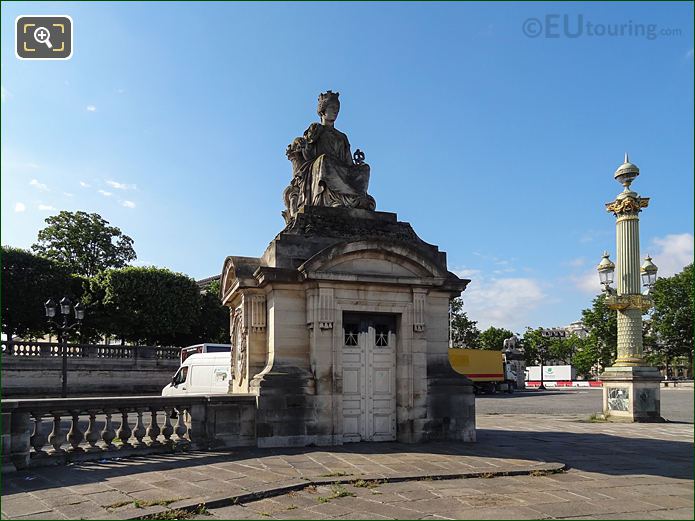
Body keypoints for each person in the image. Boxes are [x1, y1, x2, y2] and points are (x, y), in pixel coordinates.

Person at [283, 91, 375, 222]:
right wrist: (306, 146)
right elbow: (309, 156)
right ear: (323, 111)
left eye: (337, 109)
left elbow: (348, 162)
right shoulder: (316, 129)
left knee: (365, 168)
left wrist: (358, 165)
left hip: (340, 168)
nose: (336, 112)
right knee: (325, 160)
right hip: (320, 166)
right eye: (332, 108)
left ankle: (354, 198)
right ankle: (335, 199)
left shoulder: (342, 137)